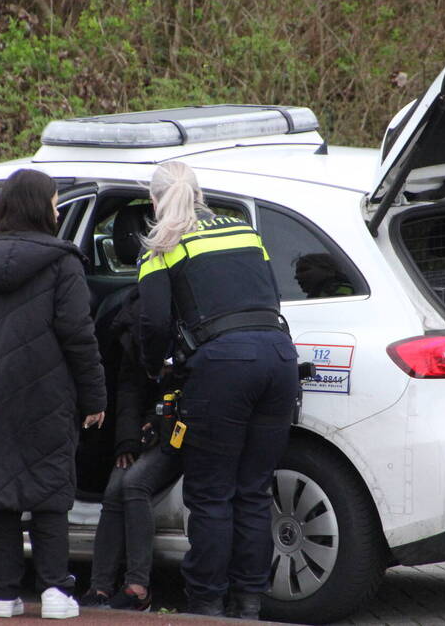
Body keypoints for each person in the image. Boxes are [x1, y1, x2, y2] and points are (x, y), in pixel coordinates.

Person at [136, 161, 299, 619]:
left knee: (210, 494)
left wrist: (156, 369)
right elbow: (270, 295)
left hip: (224, 366)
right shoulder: (244, 230)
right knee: (253, 490)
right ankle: (248, 603)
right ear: (200, 193)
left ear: (154, 201)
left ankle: (206, 604)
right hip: (279, 358)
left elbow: (152, 321)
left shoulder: (162, 244)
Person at [0, 168, 106, 620]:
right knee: (49, 492)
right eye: (55, 202)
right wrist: (95, 398)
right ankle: (55, 592)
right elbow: (79, 336)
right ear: (41, 208)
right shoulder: (63, 263)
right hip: (46, 396)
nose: (58, 211)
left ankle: (2, 595)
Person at [80, 205, 183, 612]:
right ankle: (101, 587)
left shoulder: (186, 312)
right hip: (145, 426)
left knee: (135, 483)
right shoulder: (134, 312)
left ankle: (138, 587)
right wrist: (127, 438)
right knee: (115, 485)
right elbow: (127, 384)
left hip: (179, 424)